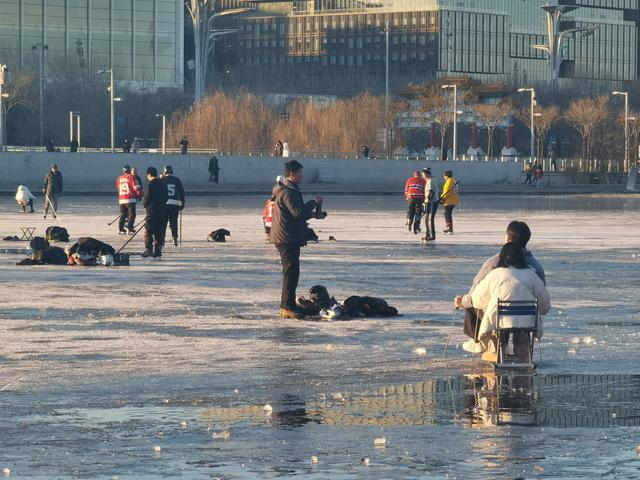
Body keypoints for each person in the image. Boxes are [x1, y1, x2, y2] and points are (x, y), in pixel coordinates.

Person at [455, 221, 546, 353]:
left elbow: (476, 293)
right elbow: (543, 300)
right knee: (519, 317)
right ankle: (522, 354)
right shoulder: (536, 268)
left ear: (508, 239)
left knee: (473, 303)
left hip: (499, 317)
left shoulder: (494, 264)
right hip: (527, 318)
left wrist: (462, 301)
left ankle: (487, 343)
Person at [461, 242, 550, 362]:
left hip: (500, 322)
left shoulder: (494, 275)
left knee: (497, 328)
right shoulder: (531, 275)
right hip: (528, 322)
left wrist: (462, 301)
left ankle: (496, 353)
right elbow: (545, 305)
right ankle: (523, 360)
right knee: (523, 333)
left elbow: (476, 300)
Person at [270, 160, 324, 319]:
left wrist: (314, 214)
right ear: (292, 174)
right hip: (287, 238)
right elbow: (298, 213)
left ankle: (289, 305)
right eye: (301, 172)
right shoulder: (287, 192)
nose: (302, 175)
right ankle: (286, 307)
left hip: (288, 236)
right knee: (291, 272)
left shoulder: (288, 190)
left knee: (292, 272)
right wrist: (314, 201)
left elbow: (294, 213)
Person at [143, 167, 168, 258]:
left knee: (149, 231)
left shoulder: (151, 184)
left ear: (149, 175)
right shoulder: (163, 184)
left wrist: (145, 205)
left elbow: (146, 198)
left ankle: (149, 249)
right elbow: (166, 196)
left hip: (151, 212)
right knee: (159, 232)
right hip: (161, 212)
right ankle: (158, 250)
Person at [161, 165, 185, 247]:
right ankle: (174, 238)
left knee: (163, 222)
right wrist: (182, 203)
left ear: (164, 172)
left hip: (164, 204)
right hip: (174, 204)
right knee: (174, 222)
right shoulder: (177, 180)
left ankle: (162, 238)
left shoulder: (162, 180)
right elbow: (181, 193)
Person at [116, 165, 142, 235]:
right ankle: (130, 228)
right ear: (129, 170)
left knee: (123, 215)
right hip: (130, 199)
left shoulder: (119, 178)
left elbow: (118, 188)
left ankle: (121, 229)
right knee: (132, 215)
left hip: (122, 199)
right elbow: (136, 187)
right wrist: (139, 195)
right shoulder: (131, 177)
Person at [404, 170, 426, 235]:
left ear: (414, 175)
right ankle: (417, 226)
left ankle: (409, 221)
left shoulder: (409, 180)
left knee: (411, 211)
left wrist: (408, 197)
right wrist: (424, 200)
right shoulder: (423, 181)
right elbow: (425, 191)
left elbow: (406, 190)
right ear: (420, 175)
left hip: (410, 197)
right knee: (418, 212)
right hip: (419, 198)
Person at [422, 168, 438, 242]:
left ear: (426, 174)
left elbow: (431, 193)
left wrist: (427, 201)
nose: (423, 175)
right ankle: (428, 234)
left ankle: (431, 235)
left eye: (423, 174)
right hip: (432, 202)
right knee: (427, 219)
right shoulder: (432, 180)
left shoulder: (430, 181)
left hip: (431, 202)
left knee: (429, 219)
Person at [440, 170, 459, 234]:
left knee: (447, 213)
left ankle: (449, 228)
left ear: (446, 176)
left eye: (444, 176)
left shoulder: (449, 181)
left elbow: (446, 191)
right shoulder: (453, 180)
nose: (444, 177)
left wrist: (441, 197)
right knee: (448, 213)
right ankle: (449, 227)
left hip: (449, 200)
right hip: (453, 199)